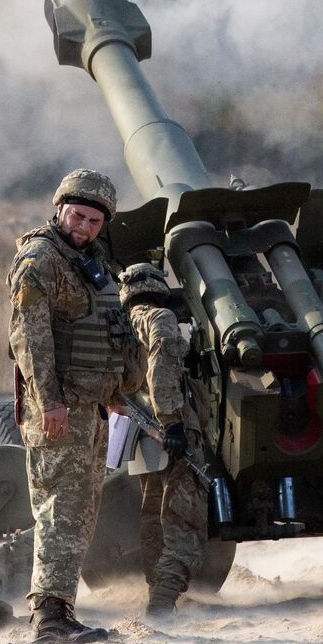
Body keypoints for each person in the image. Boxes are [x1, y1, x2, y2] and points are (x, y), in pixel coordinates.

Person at [7, 168, 128, 644]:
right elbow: (30, 340)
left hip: (89, 408)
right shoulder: (41, 260)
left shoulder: (90, 260)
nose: (84, 227)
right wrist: (50, 405)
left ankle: (57, 607)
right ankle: (49, 620)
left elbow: (106, 330)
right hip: (58, 410)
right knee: (61, 510)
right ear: (59, 210)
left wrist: (115, 394)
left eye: (94, 221)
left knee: (78, 512)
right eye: (77, 216)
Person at [119, 261, 208, 616]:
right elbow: (162, 367)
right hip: (171, 431)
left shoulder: (123, 325)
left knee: (154, 514)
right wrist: (172, 422)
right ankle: (162, 602)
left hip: (141, 435)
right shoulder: (159, 319)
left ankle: (157, 593)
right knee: (186, 519)